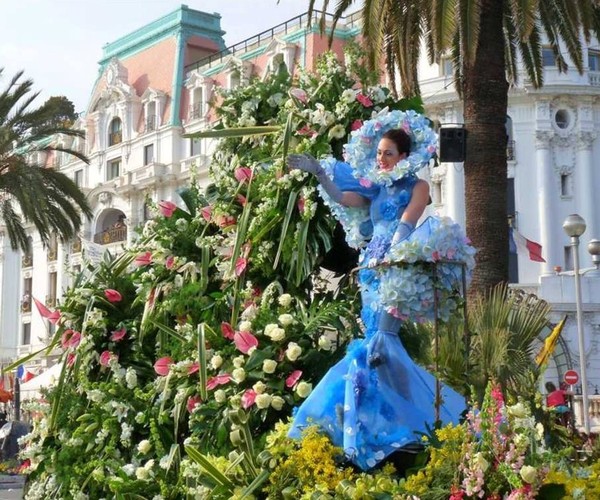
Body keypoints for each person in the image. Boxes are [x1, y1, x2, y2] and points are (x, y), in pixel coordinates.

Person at [286, 110, 467, 470]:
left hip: (395, 265)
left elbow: (408, 220)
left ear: (403, 156)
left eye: (388, 153)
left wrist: (393, 254)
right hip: (371, 268)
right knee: (375, 341)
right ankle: (387, 425)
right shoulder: (376, 189)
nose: (381, 159)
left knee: (382, 342)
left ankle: (433, 416)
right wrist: (320, 173)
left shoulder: (419, 186)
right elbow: (342, 198)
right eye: (379, 153)